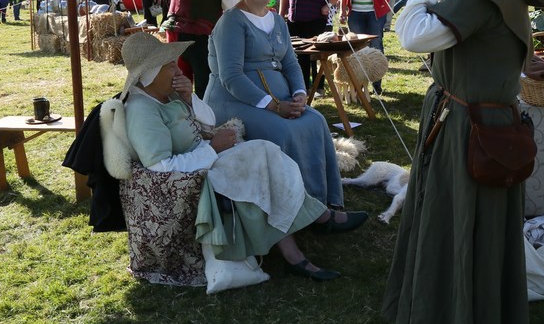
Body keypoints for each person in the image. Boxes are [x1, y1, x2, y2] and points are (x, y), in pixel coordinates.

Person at [382, 0, 544, 324]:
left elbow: (413, 37)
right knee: (470, 229)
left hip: (469, 131)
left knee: (455, 229)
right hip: (473, 120)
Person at [118, 33, 366, 282]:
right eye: (169, 65)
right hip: (192, 179)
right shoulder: (142, 111)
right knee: (260, 164)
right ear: (150, 72)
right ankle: (308, 237)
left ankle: (303, 239)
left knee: (266, 152)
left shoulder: (166, 96)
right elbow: (161, 167)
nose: (177, 69)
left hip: (205, 158)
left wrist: (189, 98)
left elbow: (209, 121)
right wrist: (212, 149)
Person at [207, 0, 345, 208]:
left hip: (279, 98)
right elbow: (231, 76)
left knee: (316, 121)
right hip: (234, 101)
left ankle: (321, 200)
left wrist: (300, 93)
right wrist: (272, 105)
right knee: (282, 131)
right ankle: (293, 208)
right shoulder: (231, 22)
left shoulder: (277, 21)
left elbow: (291, 63)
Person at [165, 0, 236, 97]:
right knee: (206, 86)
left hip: (175, 36)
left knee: (178, 84)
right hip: (201, 38)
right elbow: (233, 11)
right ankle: (204, 119)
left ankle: (181, 118)